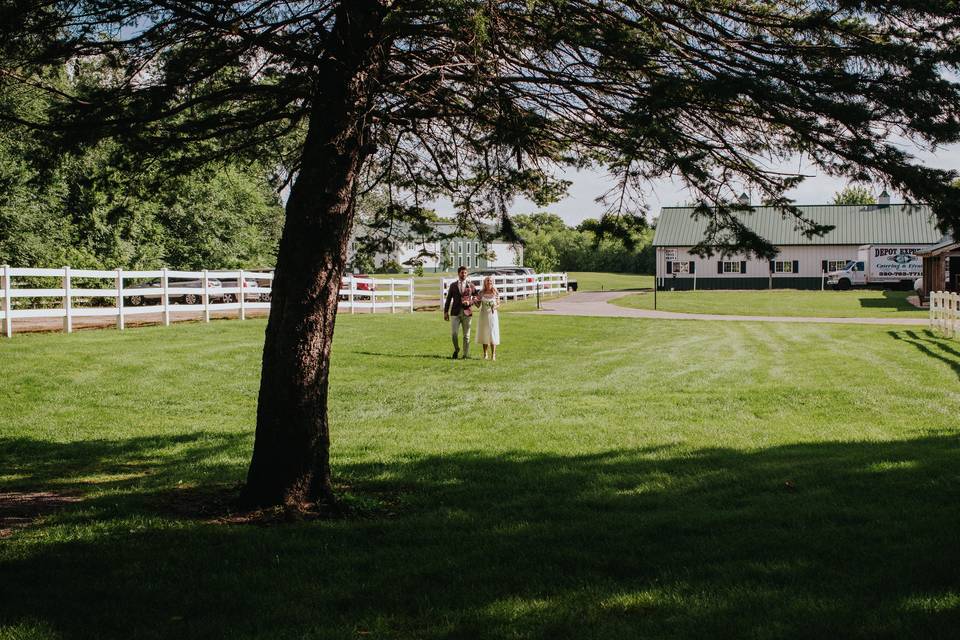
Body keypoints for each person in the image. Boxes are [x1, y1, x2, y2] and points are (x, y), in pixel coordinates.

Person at [443, 266, 478, 359]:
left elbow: (476, 297)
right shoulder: (453, 285)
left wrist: (470, 302)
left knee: (466, 336)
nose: (463, 274)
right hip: (455, 312)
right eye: (462, 273)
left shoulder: (471, 285)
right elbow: (448, 299)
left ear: (467, 274)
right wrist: (445, 312)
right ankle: (457, 349)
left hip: (467, 312)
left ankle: (465, 355)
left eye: (465, 273)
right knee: (454, 333)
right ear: (458, 274)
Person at [476, 276, 501, 360]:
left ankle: (493, 355)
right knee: (485, 333)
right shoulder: (481, 293)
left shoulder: (495, 292)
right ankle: (485, 354)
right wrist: (474, 301)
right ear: (484, 283)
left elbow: (498, 304)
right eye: (487, 281)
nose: (489, 282)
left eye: (490, 281)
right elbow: (478, 305)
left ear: (492, 282)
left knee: (493, 333)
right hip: (483, 315)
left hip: (493, 315)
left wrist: (495, 307)